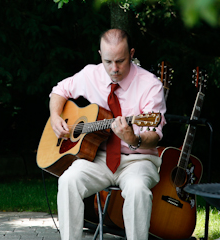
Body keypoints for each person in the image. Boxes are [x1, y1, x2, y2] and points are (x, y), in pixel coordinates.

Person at [48, 28, 167, 240]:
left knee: (138, 189)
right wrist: (56, 117)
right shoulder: (90, 74)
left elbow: (155, 135)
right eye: (108, 61)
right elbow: (59, 90)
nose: (114, 68)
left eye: (120, 61)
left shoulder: (151, 85)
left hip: (138, 159)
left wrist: (133, 138)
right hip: (97, 157)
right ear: (100, 55)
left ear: (131, 54)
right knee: (68, 181)